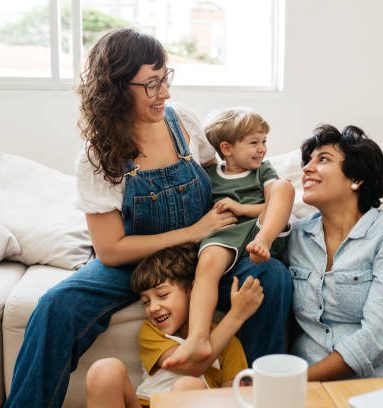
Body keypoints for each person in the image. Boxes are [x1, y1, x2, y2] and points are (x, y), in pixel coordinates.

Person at [4, 28, 292, 408]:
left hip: (204, 252)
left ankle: (264, 399)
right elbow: (110, 250)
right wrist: (191, 231)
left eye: (165, 78)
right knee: (56, 306)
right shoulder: (98, 157)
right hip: (136, 262)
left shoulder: (183, 122)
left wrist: (249, 211)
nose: (165, 93)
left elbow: (219, 178)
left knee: (271, 277)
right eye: (152, 84)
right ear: (117, 88)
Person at [164, 108, 294, 368]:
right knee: (208, 263)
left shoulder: (263, 171)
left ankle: (265, 242)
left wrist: (241, 208)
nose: (262, 149)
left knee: (284, 187)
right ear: (226, 148)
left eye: (264, 141)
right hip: (225, 233)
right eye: (254, 142)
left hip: (259, 229)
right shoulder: (210, 176)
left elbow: (274, 204)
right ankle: (198, 338)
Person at [287, 124, 383, 381]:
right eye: (308, 161)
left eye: (323, 159)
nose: (307, 169)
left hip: (380, 383)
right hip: (308, 387)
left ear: (356, 178)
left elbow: (381, 334)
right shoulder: (295, 236)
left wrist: (294, 381)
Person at [86, 244, 263, 408]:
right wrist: (236, 316)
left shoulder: (229, 344)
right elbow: (190, 366)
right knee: (105, 370)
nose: (153, 308)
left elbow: (233, 398)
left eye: (162, 295)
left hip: (195, 402)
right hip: (147, 403)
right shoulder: (152, 332)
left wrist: (237, 316)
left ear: (193, 290)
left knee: (188, 385)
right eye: (146, 302)